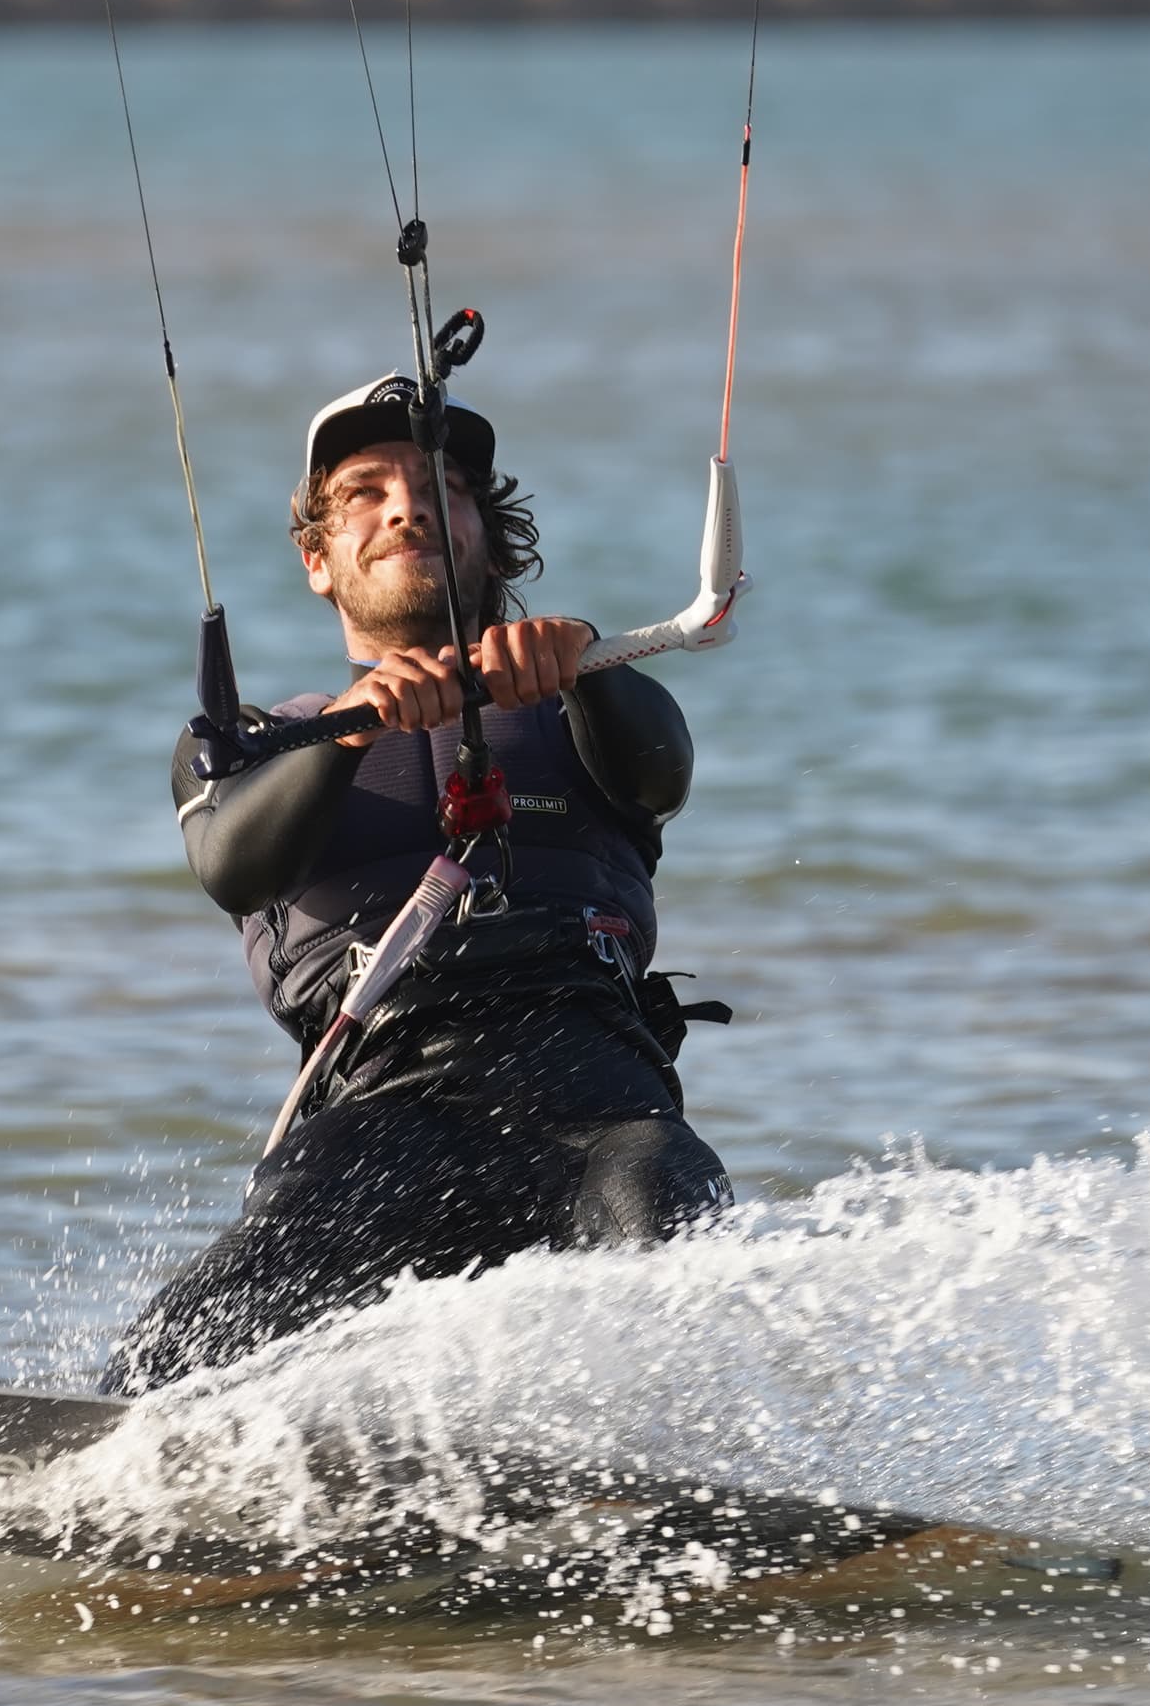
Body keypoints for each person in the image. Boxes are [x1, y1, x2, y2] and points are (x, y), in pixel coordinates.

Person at [105, 375, 733, 1391]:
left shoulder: (594, 704)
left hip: (600, 1104)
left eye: (443, 486)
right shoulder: (247, 745)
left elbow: (662, 772)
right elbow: (233, 865)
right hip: (379, 1115)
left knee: (679, 1238)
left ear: (491, 537)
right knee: (169, 1359)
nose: (407, 506)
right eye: (365, 491)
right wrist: (354, 724)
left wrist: (584, 665)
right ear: (317, 559)